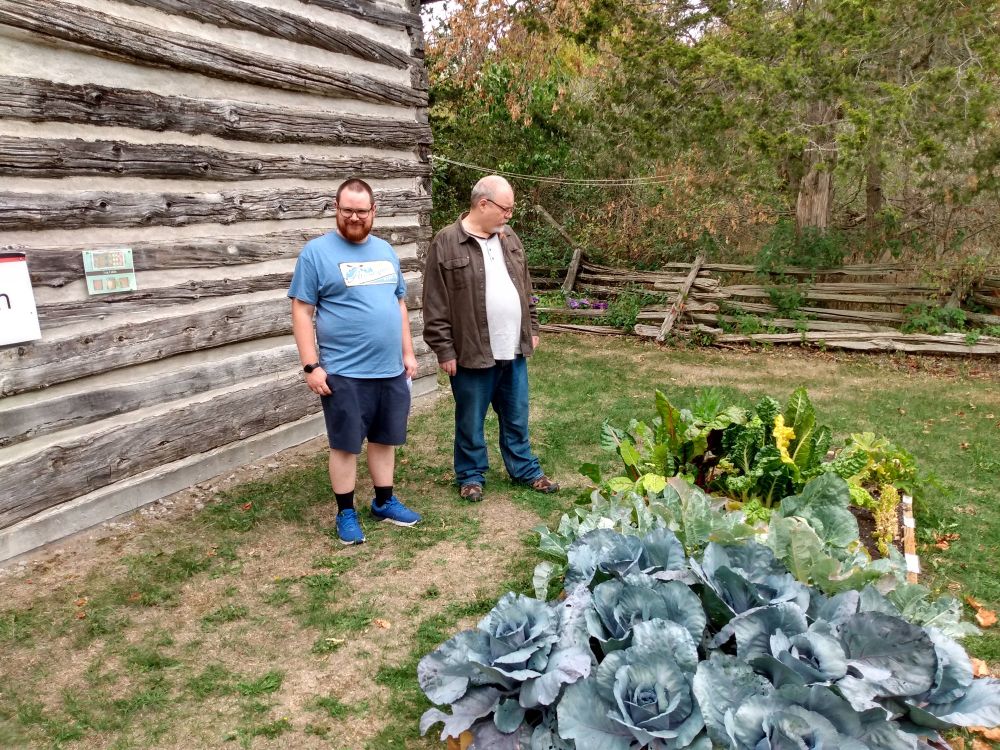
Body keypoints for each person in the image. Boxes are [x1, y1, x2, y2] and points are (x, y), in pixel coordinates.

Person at [288, 178, 421, 545]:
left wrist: (407, 353)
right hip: (344, 371)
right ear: (336, 208)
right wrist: (311, 365)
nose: (354, 217)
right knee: (345, 444)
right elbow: (302, 310)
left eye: (362, 211)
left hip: (390, 368)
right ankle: (345, 511)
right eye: (347, 210)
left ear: (374, 211)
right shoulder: (316, 254)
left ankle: (384, 501)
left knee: (384, 438)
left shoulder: (385, 251)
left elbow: (398, 303)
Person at [422, 175, 559, 502]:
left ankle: (525, 469)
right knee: (470, 418)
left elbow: (526, 288)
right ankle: (471, 475)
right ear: (483, 204)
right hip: (471, 351)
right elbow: (435, 302)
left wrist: (533, 327)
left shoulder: (509, 237)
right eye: (506, 208)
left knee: (516, 414)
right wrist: (444, 349)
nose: (509, 215)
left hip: (513, 348)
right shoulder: (446, 242)